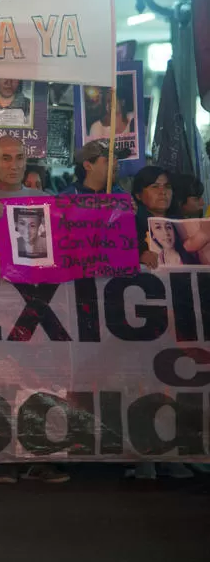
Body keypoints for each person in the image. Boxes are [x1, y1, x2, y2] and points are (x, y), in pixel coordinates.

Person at [0, 137, 67, 485]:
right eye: (6, 157)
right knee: (1, 382)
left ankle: (39, 454)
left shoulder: (48, 201)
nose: (14, 164)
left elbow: (67, 252)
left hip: (38, 306)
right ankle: (4, 457)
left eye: (20, 157)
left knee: (40, 382)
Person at [128, 165, 194, 481]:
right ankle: (145, 457)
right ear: (139, 194)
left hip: (176, 319)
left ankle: (172, 453)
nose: (162, 191)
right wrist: (137, 255)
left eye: (166, 186)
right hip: (143, 321)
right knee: (145, 387)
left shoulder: (181, 227)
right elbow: (107, 261)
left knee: (174, 386)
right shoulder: (129, 224)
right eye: (154, 186)